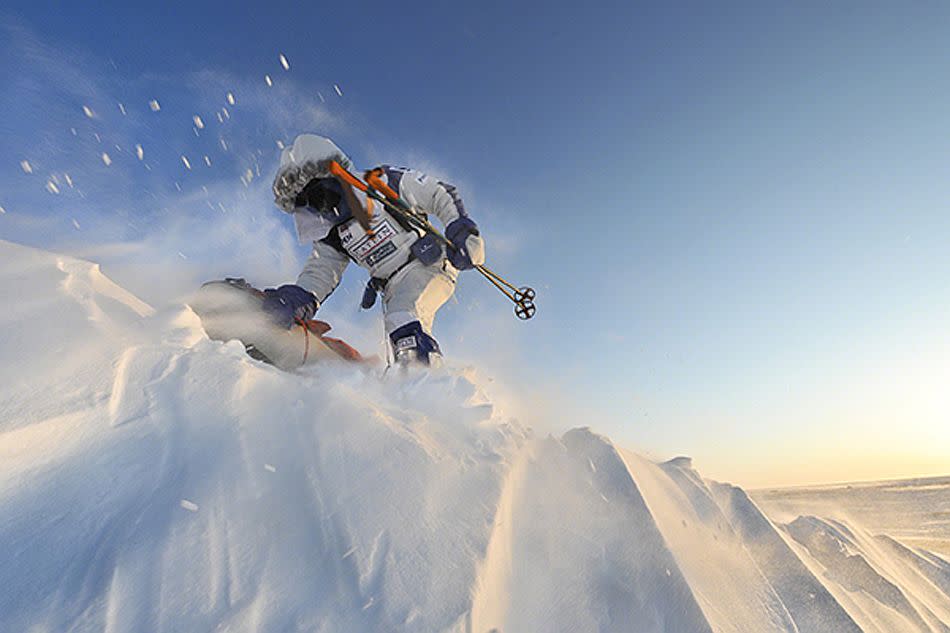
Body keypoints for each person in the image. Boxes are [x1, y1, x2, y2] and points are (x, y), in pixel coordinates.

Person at [264, 133, 485, 366]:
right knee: (403, 327)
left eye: (318, 196)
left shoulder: (381, 183)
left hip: (426, 264)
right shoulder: (333, 233)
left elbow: (437, 192)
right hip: (391, 286)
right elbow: (322, 269)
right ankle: (413, 377)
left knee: (402, 316)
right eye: (306, 205)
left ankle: (425, 377)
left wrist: (460, 229)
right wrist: (300, 297)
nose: (319, 208)